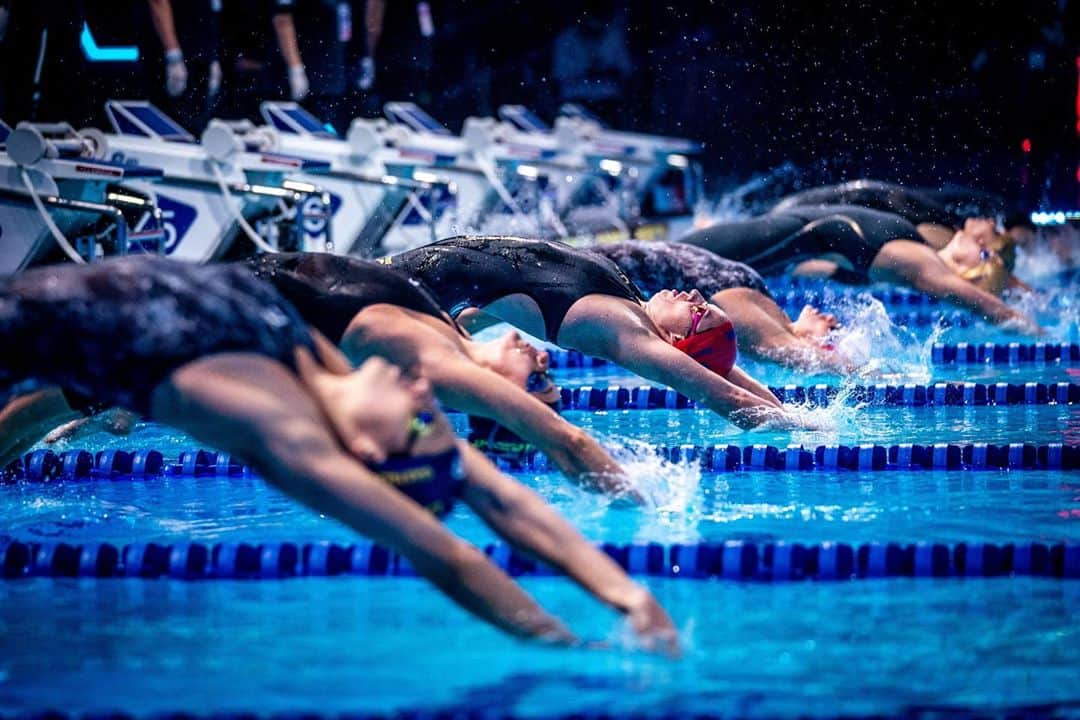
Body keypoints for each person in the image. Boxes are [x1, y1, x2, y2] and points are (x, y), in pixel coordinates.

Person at [0, 256, 678, 651]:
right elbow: (493, 494)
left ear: (364, 449)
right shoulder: (323, 367)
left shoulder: (276, 426)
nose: (420, 387)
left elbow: (447, 554)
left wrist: (565, 645)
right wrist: (624, 593)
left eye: (418, 417)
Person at [243, 252, 628, 494]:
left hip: (227, 299)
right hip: (244, 278)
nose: (544, 363)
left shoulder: (437, 364)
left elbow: (568, 442)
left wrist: (633, 503)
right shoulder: (454, 334)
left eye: (535, 382)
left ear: (501, 398)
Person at [386, 236, 798, 430]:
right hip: (428, 276)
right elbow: (725, 373)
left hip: (411, 281)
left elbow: (723, 394)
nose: (693, 294)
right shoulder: (632, 305)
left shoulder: (624, 330)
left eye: (698, 312)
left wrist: (805, 433)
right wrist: (797, 412)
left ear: (674, 344)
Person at [678, 205, 1040, 332]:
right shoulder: (909, 248)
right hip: (762, 240)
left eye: (984, 257)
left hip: (754, 243)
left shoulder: (915, 261)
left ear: (967, 272)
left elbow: (985, 305)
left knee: (665, 264)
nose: (981, 243)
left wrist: (1043, 337)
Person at [589, 241, 848, 373]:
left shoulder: (761, 334)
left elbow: (799, 356)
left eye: (833, 329)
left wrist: (876, 378)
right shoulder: (771, 315)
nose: (830, 317)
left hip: (599, 259)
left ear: (815, 344)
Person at [770, 179, 1035, 251]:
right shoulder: (949, 226)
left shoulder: (943, 238)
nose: (991, 221)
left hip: (859, 197)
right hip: (863, 194)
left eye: (996, 231)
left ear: (983, 247)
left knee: (775, 216)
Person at [143, 0, 223, 133]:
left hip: (201, 56)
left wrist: (213, 57)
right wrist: (172, 53)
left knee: (198, 128)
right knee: (170, 128)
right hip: (174, 55)